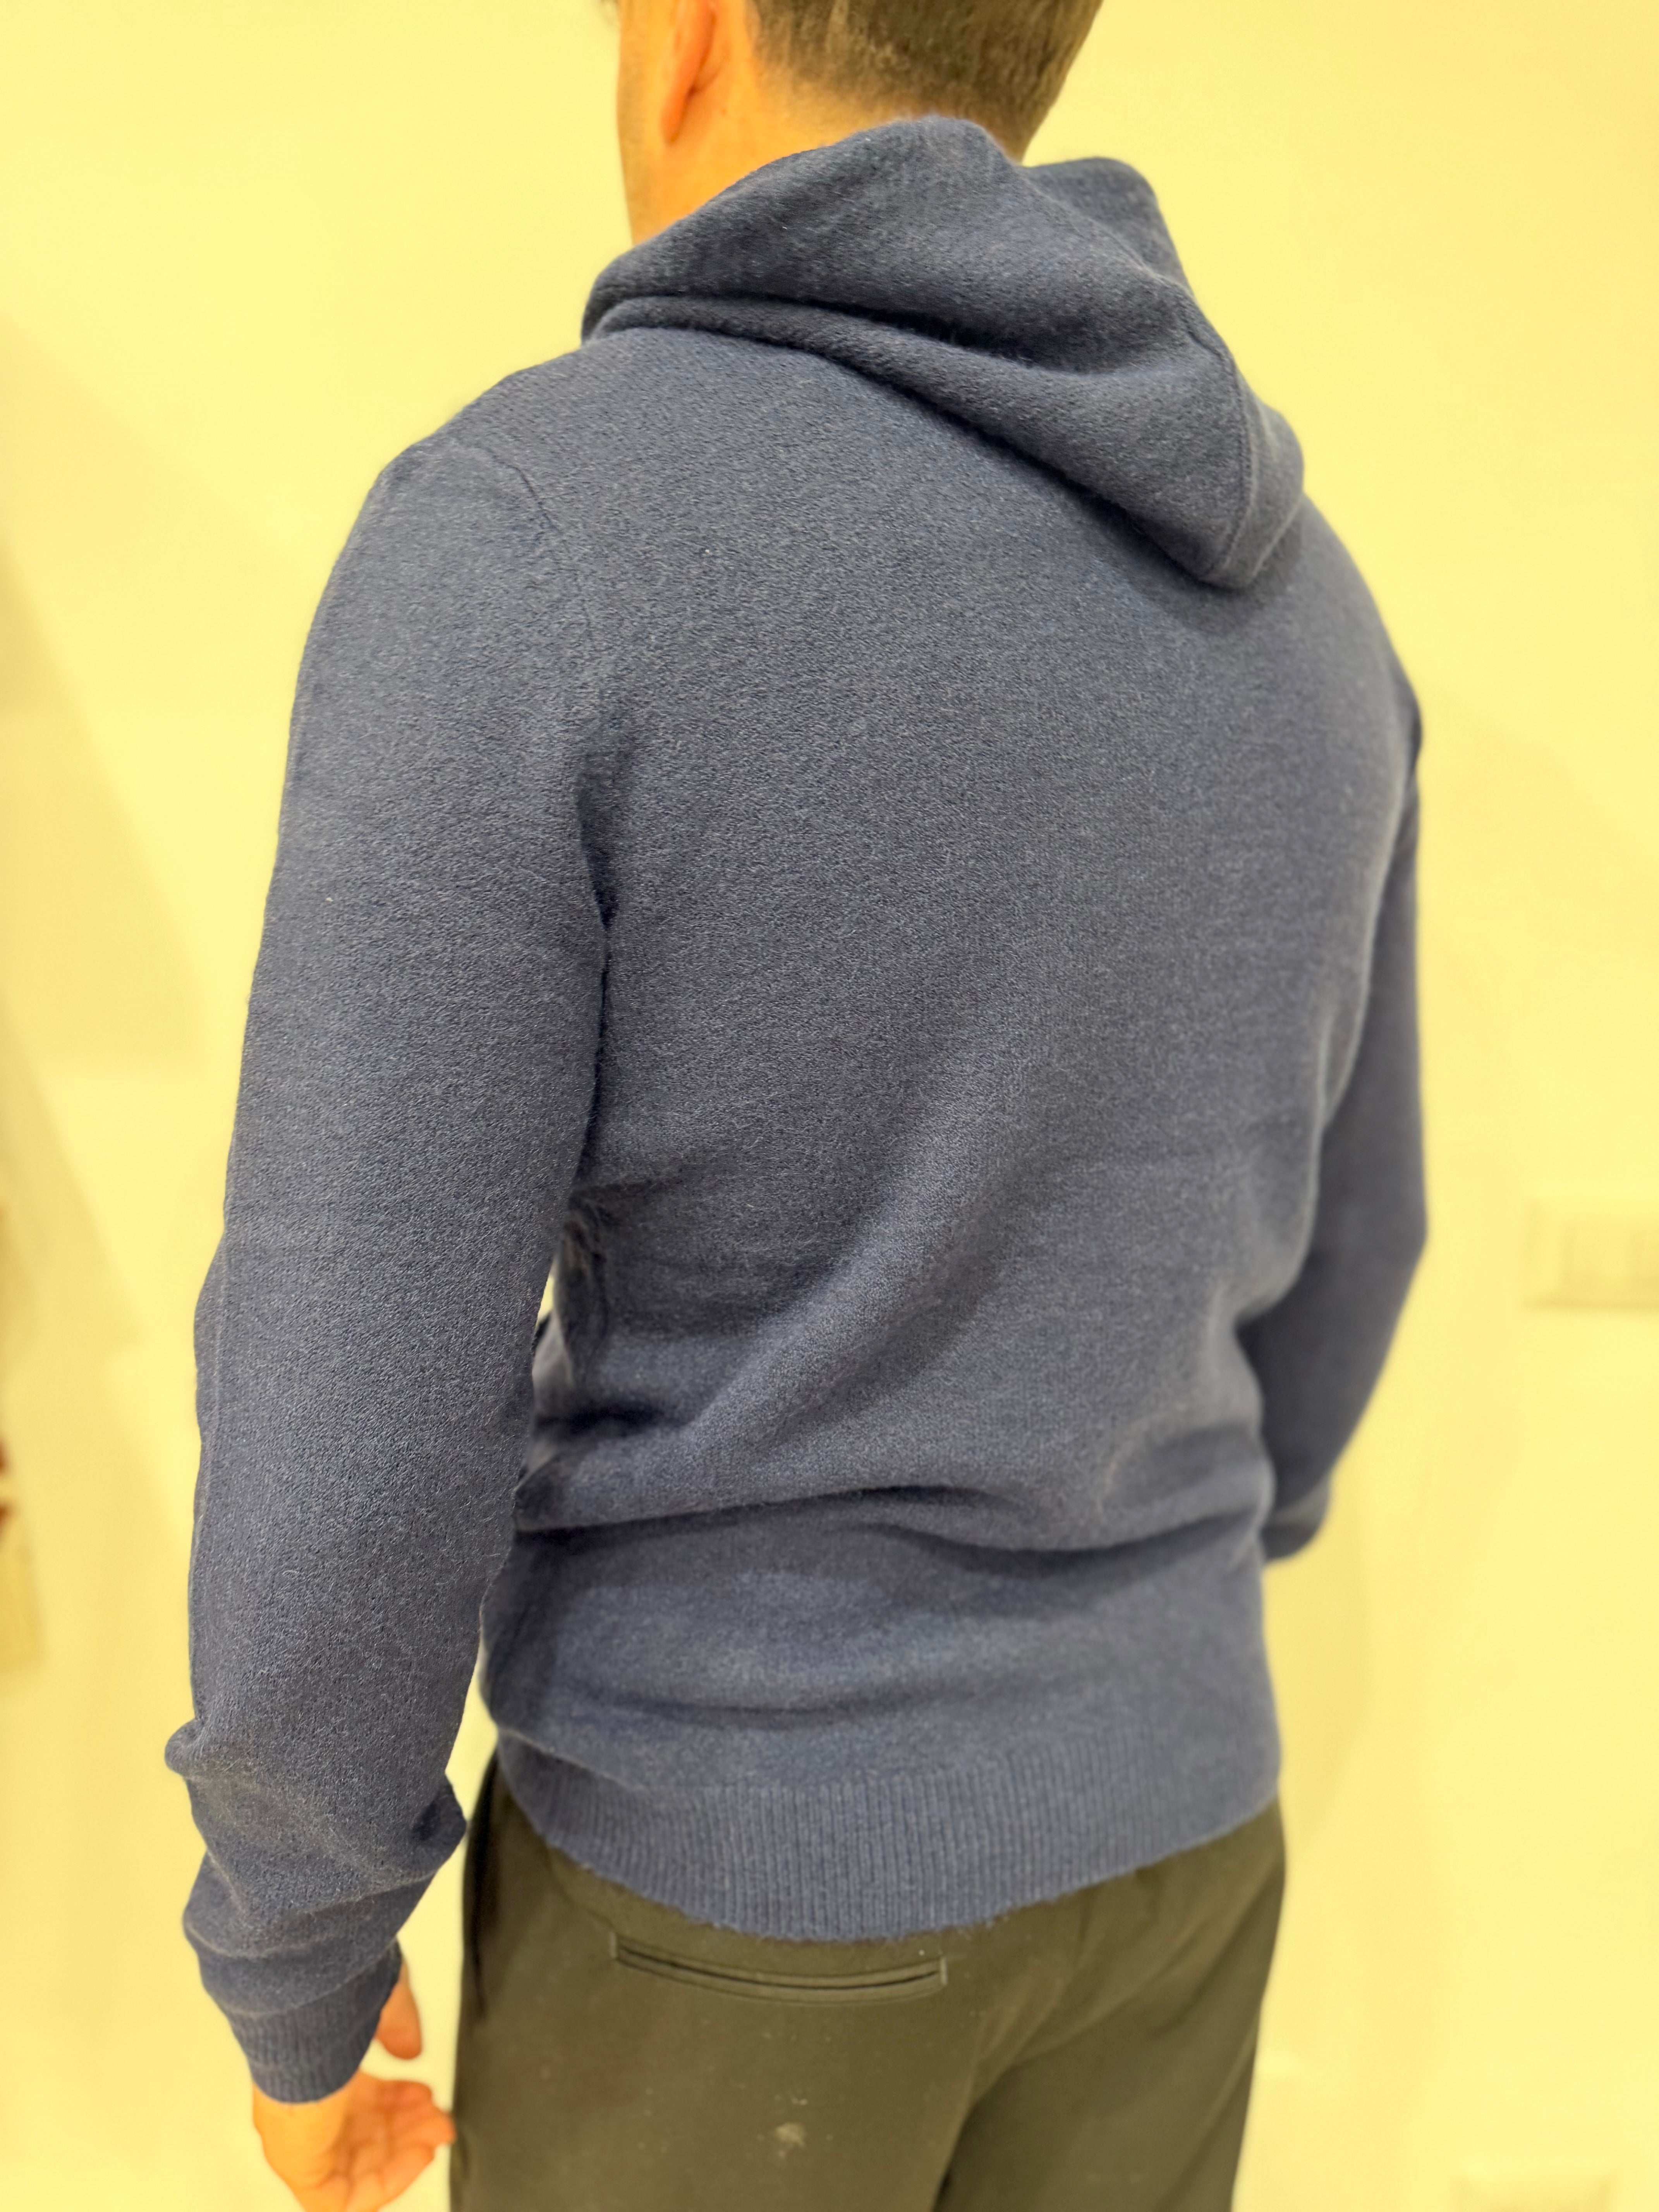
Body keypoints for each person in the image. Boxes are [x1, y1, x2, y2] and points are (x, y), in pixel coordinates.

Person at [165, 0, 1427, 2205]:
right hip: (1183, 1849)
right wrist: (1128, 1638)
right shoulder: (1315, 607)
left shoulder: (530, 543)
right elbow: (1362, 1239)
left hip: (732, 1892)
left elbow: (355, 1364)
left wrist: (301, 1946)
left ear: (687, 37)